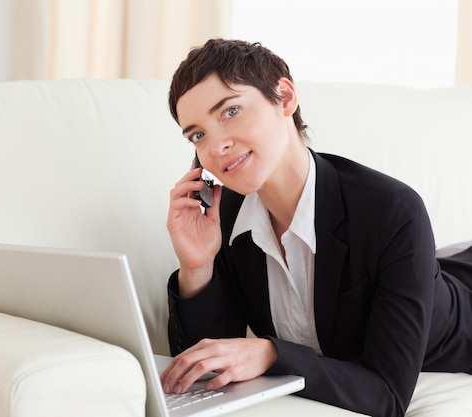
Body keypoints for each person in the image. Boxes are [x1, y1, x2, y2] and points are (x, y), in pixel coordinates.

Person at [160, 38, 472, 417]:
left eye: (230, 111)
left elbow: (387, 397)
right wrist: (197, 267)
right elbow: (206, 368)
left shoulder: (391, 211)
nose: (217, 146)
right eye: (198, 135)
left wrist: (273, 353)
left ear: (284, 97)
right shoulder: (223, 219)